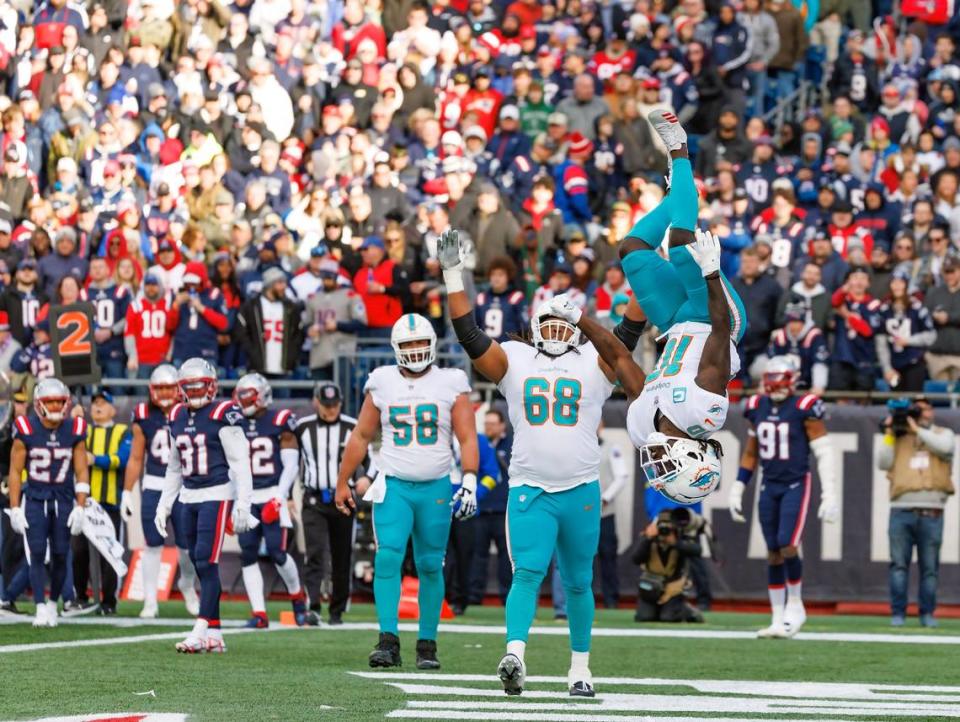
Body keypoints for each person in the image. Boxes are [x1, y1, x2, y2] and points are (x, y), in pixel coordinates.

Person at [439, 229, 616, 698]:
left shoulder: (594, 359)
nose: (557, 331)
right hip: (531, 487)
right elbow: (469, 333)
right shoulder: (515, 357)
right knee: (528, 574)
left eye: (565, 323)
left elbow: (630, 332)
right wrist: (453, 274)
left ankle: (580, 668)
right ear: (534, 326)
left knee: (578, 582)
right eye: (550, 322)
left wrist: (643, 276)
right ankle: (514, 653)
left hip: (578, 487)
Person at [561, 112, 743, 505]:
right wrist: (712, 273)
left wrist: (579, 319)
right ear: (691, 455)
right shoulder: (705, 411)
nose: (656, 464)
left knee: (632, 251)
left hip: (674, 324)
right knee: (680, 241)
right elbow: (719, 330)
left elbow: (619, 359)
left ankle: (675, 194)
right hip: (714, 315)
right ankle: (679, 147)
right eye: (668, 468)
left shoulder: (643, 427)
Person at [334, 313, 478, 670]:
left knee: (431, 564)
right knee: (387, 558)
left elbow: (467, 436)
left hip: (436, 487)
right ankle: (388, 641)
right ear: (396, 348)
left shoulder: (451, 381)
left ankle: (427, 645)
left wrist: (471, 478)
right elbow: (361, 436)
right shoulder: (382, 381)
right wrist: (342, 480)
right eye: (408, 344)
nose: (415, 351)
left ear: (431, 346)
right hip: (394, 483)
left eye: (420, 343)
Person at [729, 357, 838, 638]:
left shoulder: (804, 407)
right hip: (769, 483)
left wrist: (830, 494)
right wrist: (739, 485)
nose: (775, 387)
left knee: (789, 544)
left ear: (793, 380)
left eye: (781, 381)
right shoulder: (756, 406)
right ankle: (777, 617)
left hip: (796, 482)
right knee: (773, 552)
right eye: (772, 381)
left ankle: (796, 604)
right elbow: (752, 452)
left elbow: (824, 452)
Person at [155, 358, 256, 653]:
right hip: (188, 495)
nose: (196, 392)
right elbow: (174, 467)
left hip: (216, 492)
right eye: (190, 387)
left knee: (206, 560)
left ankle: (200, 629)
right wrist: (164, 504)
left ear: (211, 387)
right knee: (200, 563)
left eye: (201, 386)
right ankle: (215, 633)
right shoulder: (175, 414)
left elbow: (240, 463)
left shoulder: (224, 413)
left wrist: (243, 503)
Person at [6, 378, 89, 628]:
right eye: (50, 401)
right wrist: (15, 507)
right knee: (38, 553)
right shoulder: (26, 428)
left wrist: (80, 505)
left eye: (59, 401)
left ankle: (53, 603)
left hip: (63, 499)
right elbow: (15, 470)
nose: (55, 406)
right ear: (39, 404)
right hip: (35, 498)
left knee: (63, 553)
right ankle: (40, 606)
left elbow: (82, 470)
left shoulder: (75, 429)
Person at [120, 364, 199, 619]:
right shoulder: (143, 413)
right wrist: (127, 491)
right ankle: (151, 600)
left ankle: (187, 585)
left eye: (168, 387)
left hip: (184, 485)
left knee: (187, 546)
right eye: (160, 388)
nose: (164, 393)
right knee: (152, 543)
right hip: (154, 483)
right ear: (151, 390)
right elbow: (135, 457)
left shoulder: (188, 411)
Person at [231, 373, 308, 628]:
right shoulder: (234, 423)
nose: (242, 401)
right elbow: (231, 466)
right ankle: (259, 613)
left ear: (261, 396)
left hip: (272, 492)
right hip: (247, 496)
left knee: (277, 551)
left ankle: (297, 598)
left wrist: (280, 496)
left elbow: (291, 464)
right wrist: (234, 501)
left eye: (247, 395)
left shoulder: (279, 421)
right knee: (248, 553)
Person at [297, 382, 374, 625]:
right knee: (315, 553)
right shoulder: (302, 428)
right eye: (325, 405)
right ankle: (313, 607)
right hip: (314, 498)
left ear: (340, 403)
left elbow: (371, 460)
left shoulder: (353, 426)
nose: (330, 410)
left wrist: (366, 477)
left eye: (334, 405)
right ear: (315, 402)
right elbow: (290, 460)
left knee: (341, 555)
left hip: (344, 499)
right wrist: (288, 496)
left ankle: (337, 610)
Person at [878, 397, 956, 627]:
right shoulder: (899, 436)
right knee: (898, 565)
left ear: (931, 412)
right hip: (901, 509)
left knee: (929, 568)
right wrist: (891, 431)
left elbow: (945, 448)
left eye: (925, 407)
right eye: (917, 408)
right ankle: (898, 614)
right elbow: (882, 462)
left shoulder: (944, 433)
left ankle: (927, 614)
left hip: (932, 511)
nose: (922, 411)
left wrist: (916, 429)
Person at [469, 408, 512, 606]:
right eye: (486, 423)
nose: (489, 427)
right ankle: (475, 596)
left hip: (503, 510)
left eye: (493, 423)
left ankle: (506, 596)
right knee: (478, 556)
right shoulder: (477, 444)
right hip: (482, 508)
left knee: (506, 556)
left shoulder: (512, 444)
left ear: (502, 425)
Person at [235, 267, 305, 386]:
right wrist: (253, 353)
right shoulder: (252, 306)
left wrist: (292, 355)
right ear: (269, 285)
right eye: (279, 283)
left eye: (284, 282)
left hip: (284, 369)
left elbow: (299, 333)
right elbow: (241, 331)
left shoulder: (291, 307)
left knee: (283, 404)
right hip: (258, 369)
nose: (284, 286)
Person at [631, 509, 704, 623]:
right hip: (651, 588)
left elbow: (697, 551)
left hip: (672, 590)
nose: (664, 530)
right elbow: (635, 559)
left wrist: (676, 543)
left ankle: (687, 611)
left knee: (669, 618)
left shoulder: (680, 537)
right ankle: (657, 610)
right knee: (644, 618)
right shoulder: (648, 538)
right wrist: (648, 539)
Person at [303, 259, 367, 381]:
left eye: (330, 277)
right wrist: (309, 330)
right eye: (324, 277)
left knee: (342, 392)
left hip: (342, 351)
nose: (327, 281)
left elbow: (361, 323)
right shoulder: (313, 298)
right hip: (319, 353)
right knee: (320, 393)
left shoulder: (350, 295)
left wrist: (337, 325)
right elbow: (306, 324)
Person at [597, 426, 629, 609]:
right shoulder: (574, 448)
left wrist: (605, 498)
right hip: (579, 512)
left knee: (607, 556)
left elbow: (621, 476)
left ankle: (611, 599)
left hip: (604, 512)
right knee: (575, 558)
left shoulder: (611, 447)